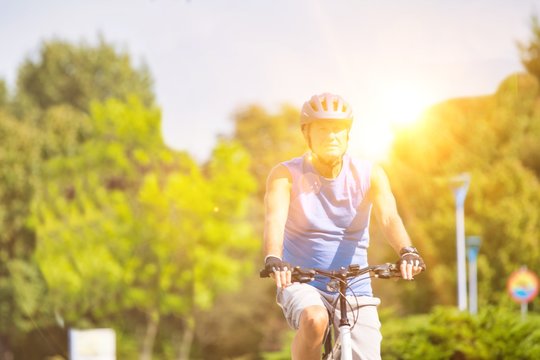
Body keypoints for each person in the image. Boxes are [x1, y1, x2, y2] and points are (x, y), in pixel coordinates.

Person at [263, 93, 425, 360]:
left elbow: (389, 218)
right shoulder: (285, 175)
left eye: (338, 129)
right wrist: (273, 257)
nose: (331, 136)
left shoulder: (370, 174)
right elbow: (274, 219)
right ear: (308, 135)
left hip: (354, 283)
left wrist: (407, 251)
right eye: (323, 130)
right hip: (303, 278)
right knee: (315, 320)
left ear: (348, 134)